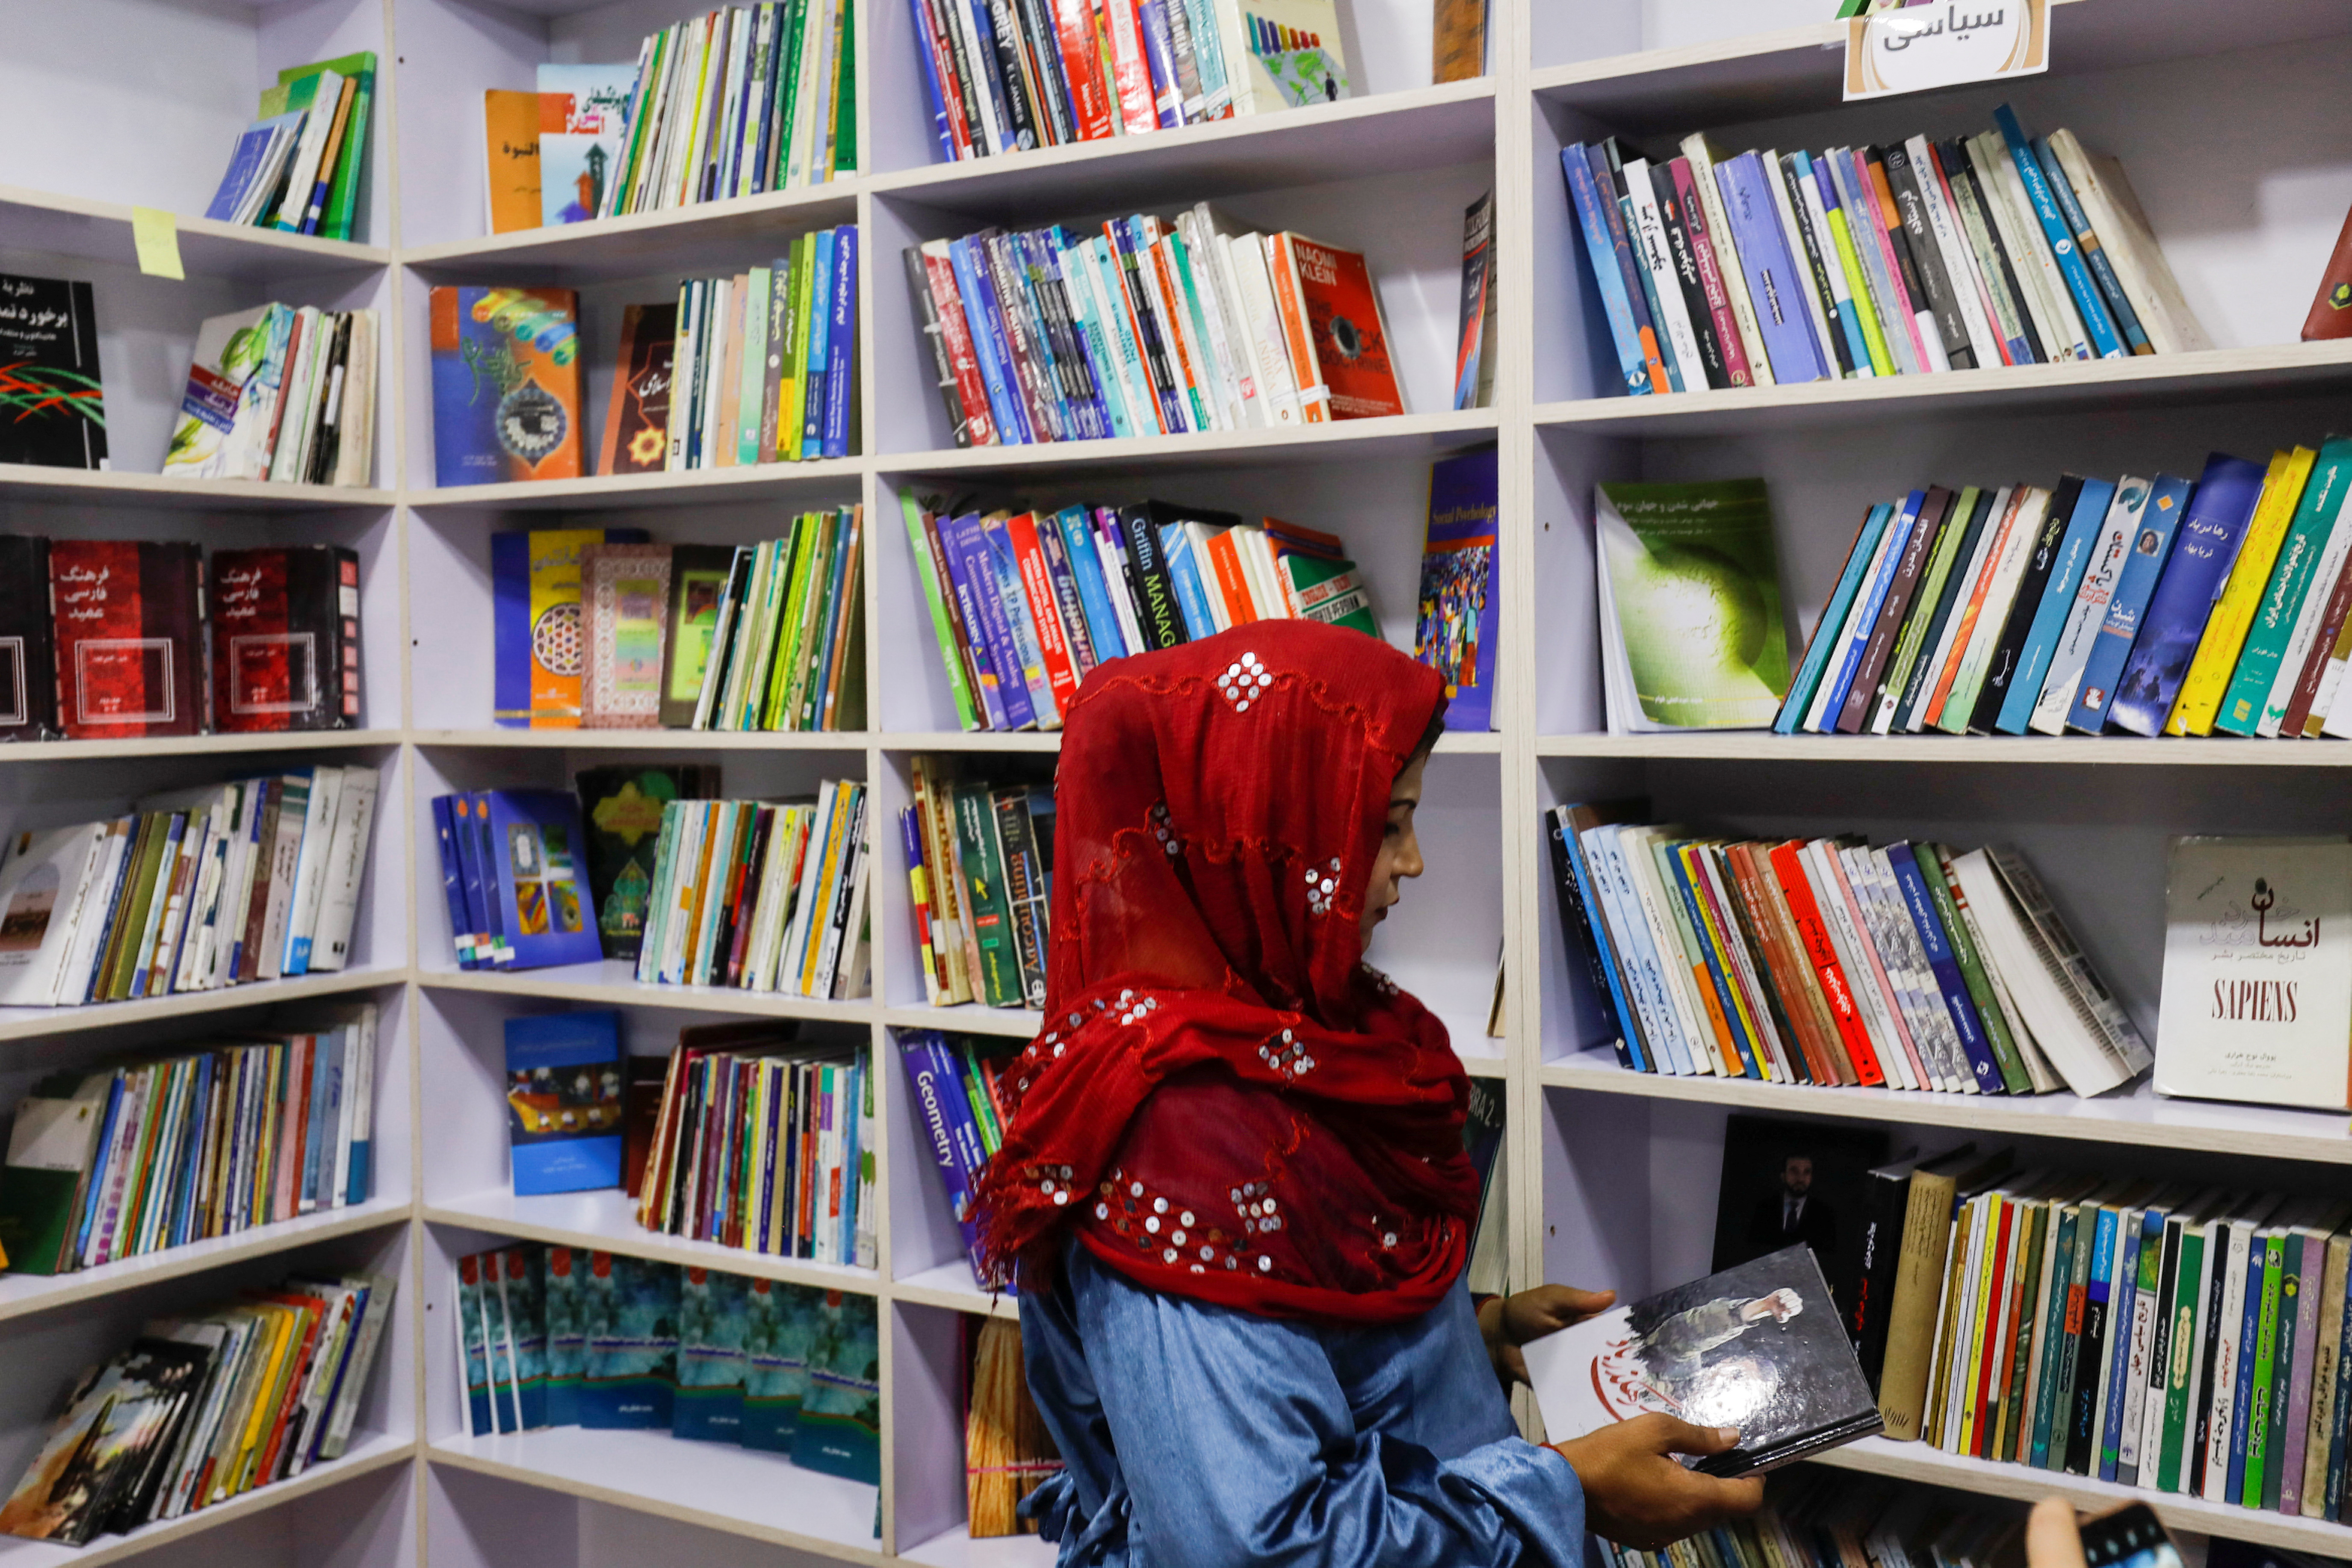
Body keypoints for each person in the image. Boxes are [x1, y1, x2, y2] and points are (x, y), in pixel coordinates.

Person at [972, 621, 1764, 1565]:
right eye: (1383, 826)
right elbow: (1257, 1547)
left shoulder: (1310, 1039)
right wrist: (1565, 1488)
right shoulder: (1174, 1150)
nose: (1414, 862)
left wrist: (1470, 1339)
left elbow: (1291, 1361)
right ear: (1263, 836)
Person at [1743, 1153, 1838, 1277]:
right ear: (1783, 1176)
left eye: (1806, 1172)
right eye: (1794, 1171)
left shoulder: (1825, 1215)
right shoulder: (1764, 1209)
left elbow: (1827, 1259)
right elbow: (1752, 1251)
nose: (1800, 1178)